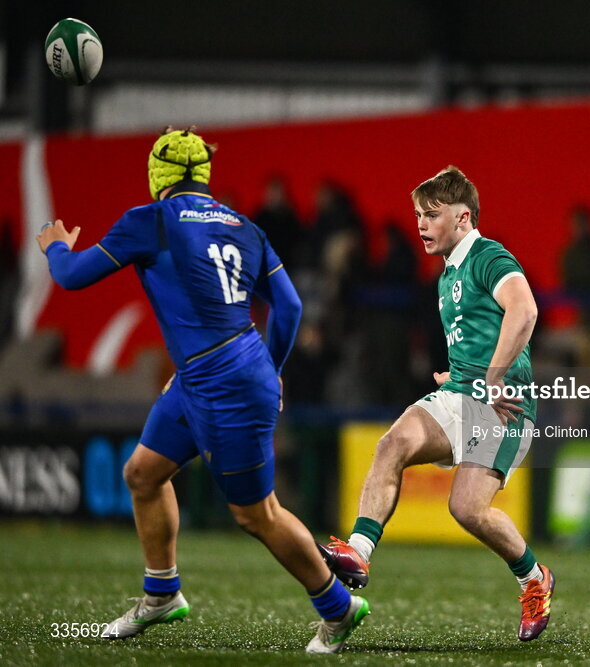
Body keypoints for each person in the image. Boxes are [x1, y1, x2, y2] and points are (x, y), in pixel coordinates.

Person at [36, 127, 369, 654]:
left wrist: (55, 247)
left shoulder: (150, 220)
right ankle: (162, 594)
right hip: (212, 375)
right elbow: (290, 308)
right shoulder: (245, 226)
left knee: (256, 515)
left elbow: (73, 276)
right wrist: (272, 367)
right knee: (143, 474)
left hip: (223, 381)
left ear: (157, 175)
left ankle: (337, 605)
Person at [319, 166, 555, 641]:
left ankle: (535, 580)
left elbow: (525, 309)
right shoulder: (447, 272)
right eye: (417, 215)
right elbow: (482, 332)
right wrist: (462, 372)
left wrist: (489, 378)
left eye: (432, 214)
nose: (421, 224)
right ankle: (359, 551)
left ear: (463, 217)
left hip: (504, 405)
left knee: (467, 509)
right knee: (392, 444)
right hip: (462, 394)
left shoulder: (489, 255)